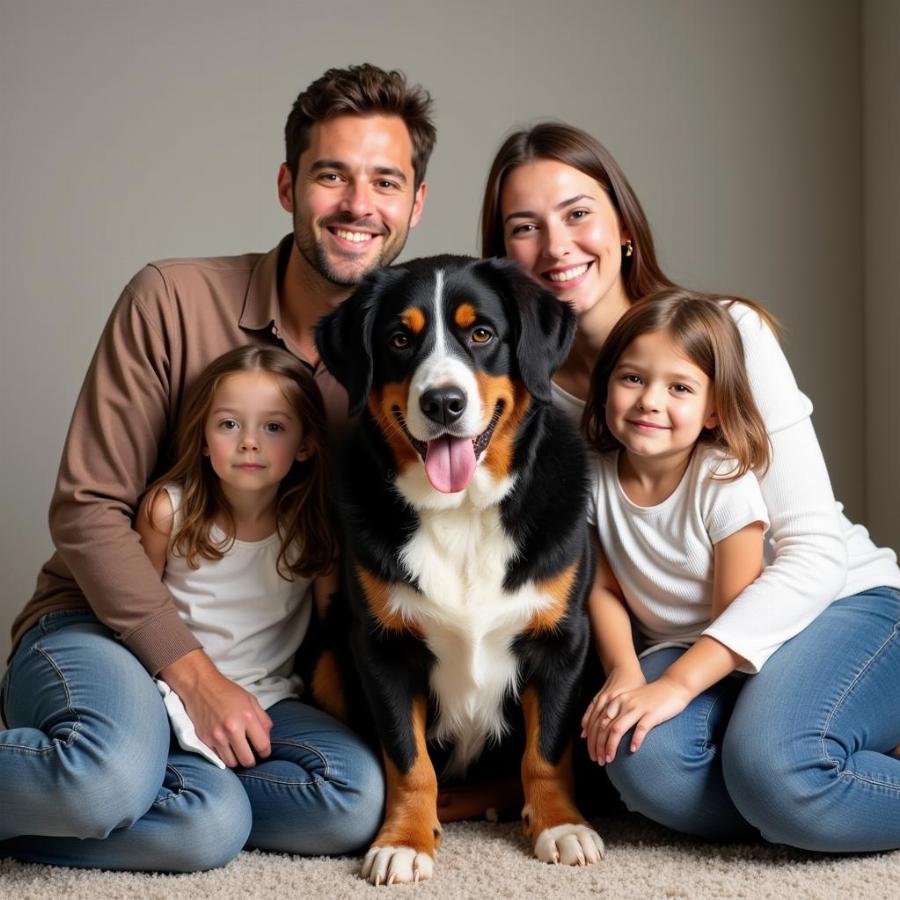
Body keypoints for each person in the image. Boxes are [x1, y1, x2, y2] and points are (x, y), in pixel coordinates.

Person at [1, 63, 435, 871]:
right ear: (287, 185)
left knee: (287, 815)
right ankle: (103, 773)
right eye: (331, 175)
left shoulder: (411, 359)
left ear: (415, 205)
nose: (357, 205)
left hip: (258, 671)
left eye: (385, 181)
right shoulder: (171, 298)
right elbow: (88, 511)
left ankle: (140, 788)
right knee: (101, 784)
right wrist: (194, 678)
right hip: (104, 630)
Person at [480, 122, 900, 852]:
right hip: (688, 642)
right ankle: (813, 782)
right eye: (525, 228)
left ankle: (796, 774)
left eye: (578, 213)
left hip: (839, 607)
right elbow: (590, 578)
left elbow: (813, 550)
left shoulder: (725, 336)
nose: (555, 247)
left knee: (775, 770)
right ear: (503, 258)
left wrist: (675, 686)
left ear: (624, 226)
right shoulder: (526, 400)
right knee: (637, 763)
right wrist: (629, 678)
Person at [578, 292, 769, 772]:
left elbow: (739, 616)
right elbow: (600, 588)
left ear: (714, 411)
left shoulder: (722, 482)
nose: (649, 401)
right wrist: (623, 669)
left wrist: (673, 688)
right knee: (625, 745)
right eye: (633, 378)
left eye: (679, 388)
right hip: (669, 651)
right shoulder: (593, 478)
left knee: (757, 754)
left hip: (742, 649)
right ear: (606, 388)